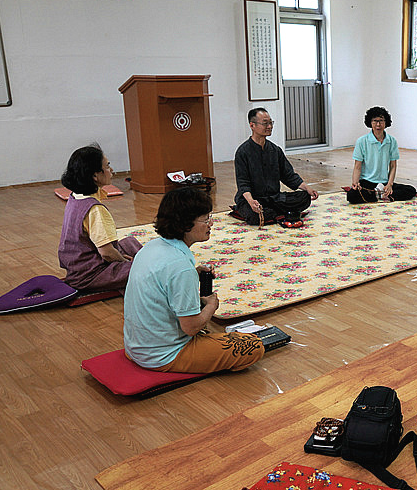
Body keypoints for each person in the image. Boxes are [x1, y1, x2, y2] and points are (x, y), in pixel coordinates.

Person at [124, 188, 264, 373]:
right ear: (185, 224)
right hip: (162, 355)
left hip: (135, 347)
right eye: (206, 219)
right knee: (252, 347)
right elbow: (190, 328)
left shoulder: (151, 247)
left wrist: (194, 274)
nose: (211, 223)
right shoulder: (180, 266)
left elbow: (164, 283)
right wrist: (211, 306)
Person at [58, 145, 142, 292]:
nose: (112, 171)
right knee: (147, 268)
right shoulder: (95, 209)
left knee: (129, 242)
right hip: (90, 275)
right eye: (108, 166)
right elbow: (106, 253)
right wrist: (123, 261)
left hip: (78, 267)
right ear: (95, 176)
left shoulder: (75, 197)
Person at [234, 107, 318, 228]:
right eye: (265, 123)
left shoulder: (275, 150)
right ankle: (277, 212)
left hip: (274, 198)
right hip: (253, 199)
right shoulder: (243, 152)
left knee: (304, 197)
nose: (269, 126)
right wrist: (251, 201)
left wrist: (307, 188)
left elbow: (288, 175)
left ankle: (273, 212)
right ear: (252, 125)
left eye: (270, 123)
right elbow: (243, 183)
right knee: (254, 216)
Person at [347, 106, 417, 203]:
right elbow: (357, 166)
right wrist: (355, 182)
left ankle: (379, 194)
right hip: (367, 182)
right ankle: (380, 195)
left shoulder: (392, 141)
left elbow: (393, 166)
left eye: (381, 120)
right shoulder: (362, 141)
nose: (378, 124)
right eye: (375, 121)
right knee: (351, 196)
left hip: (384, 182)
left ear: (386, 122)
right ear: (370, 122)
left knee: (411, 190)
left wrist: (389, 184)